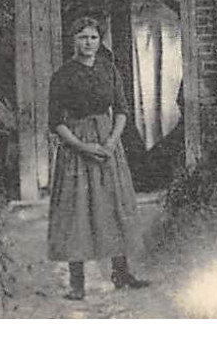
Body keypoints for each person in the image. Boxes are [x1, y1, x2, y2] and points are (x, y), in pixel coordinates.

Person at [48, 16, 149, 300]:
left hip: (107, 142)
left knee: (113, 202)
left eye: (93, 37)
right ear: (73, 40)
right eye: (82, 37)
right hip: (76, 145)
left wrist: (111, 142)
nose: (88, 43)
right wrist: (81, 146)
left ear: (99, 40)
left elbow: (121, 110)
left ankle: (121, 272)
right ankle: (77, 283)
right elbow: (55, 121)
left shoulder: (109, 71)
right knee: (76, 208)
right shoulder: (63, 75)